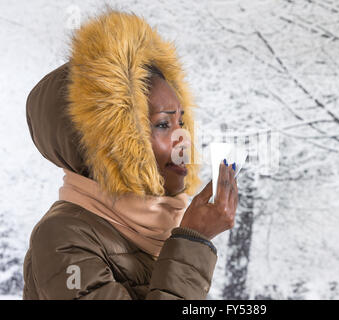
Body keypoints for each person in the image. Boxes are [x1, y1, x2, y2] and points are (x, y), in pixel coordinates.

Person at [23, 10, 238, 300]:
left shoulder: (158, 229)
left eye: (182, 123)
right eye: (163, 124)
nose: (183, 139)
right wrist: (191, 243)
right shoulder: (62, 236)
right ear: (108, 141)